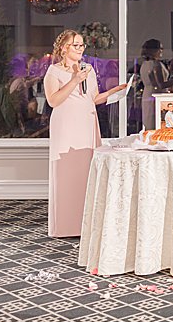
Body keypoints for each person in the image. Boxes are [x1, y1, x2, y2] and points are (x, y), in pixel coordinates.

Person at [44, 29, 127, 238]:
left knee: (87, 172)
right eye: (76, 45)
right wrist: (73, 79)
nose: (81, 49)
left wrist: (115, 92)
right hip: (65, 125)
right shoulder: (53, 72)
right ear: (64, 48)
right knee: (66, 172)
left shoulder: (88, 68)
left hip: (87, 122)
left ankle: (87, 225)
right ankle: (64, 225)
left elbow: (93, 98)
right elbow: (53, 101)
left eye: (82, 45)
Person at [138, 38, 172, 129]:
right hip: (156, 96)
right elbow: (160, 84)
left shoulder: (145, 64)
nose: (162, 51)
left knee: (149, 122)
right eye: (160, 48)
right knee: (156, 122)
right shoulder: (156, 64)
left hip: (148, 94)